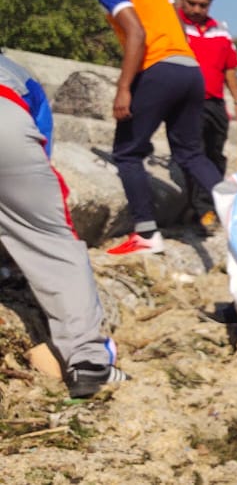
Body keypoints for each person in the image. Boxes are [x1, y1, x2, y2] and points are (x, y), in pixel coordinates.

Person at [63, 0, 224, 255]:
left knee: (127, 152)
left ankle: (147, 235)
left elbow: (136, 33)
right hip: (190, 69)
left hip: (158, 68)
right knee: (191, 153)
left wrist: (124, 88)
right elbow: (176, 22)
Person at [0, 54, 128, 398]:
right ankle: (88, 361)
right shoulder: (18, 74)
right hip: (6, 119)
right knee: (53, 241)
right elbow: (39, 153)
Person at [176, 0, 237, 234]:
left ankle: (209, 205)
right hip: (186, 104)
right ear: (181, 0)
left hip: (216, 104)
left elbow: (230, 70)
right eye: (192, 3)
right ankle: (204, 210)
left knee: (215, 155)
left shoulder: (221, 32)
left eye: (203, 5)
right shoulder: (174, 27)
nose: (197, 10)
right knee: (195, 155)